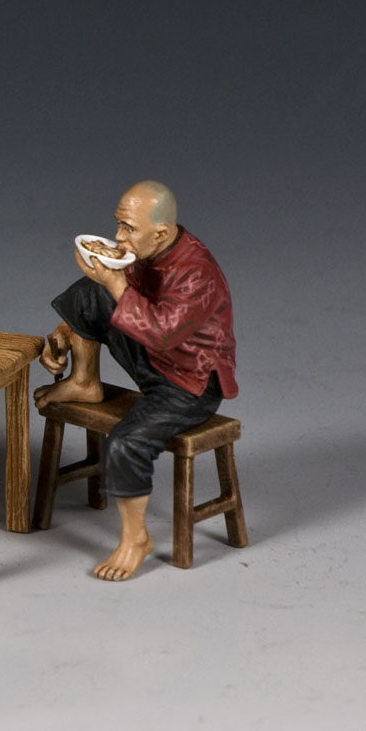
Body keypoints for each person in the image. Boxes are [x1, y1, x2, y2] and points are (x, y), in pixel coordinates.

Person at [34, 181, 237, 581]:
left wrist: (114, 283)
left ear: (160, 233)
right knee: (90, 290)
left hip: (190, 382)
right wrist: (63, 333)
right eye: (118, 225)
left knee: (126, 442)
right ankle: (85, 381)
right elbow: (116, 302)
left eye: (128, 228)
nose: (119, 237)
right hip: (156, 361)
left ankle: (135, 539)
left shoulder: (197, 272)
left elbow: (161, 333)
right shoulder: (147, 250)